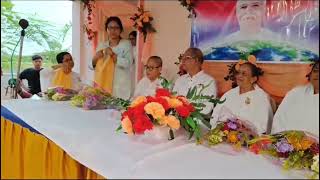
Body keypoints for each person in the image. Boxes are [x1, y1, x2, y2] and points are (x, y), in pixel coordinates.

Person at [211, 56, 273, 134]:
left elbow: (264, 127)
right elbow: (215, 116)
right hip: (224, 136)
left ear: (253, 79)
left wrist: (245, 130)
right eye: (238, 73)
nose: (239, 76)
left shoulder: (261, 97)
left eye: (244, 74)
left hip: (248, 141)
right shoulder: (229, 94)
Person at [272, 61, 319, 137]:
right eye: (315, 71)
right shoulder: (295, 93)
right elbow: (279, 119)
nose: (317, 74)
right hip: (286, 145)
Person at [92, 16, 133, 100]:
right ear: (106, 30)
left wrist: (113, 55)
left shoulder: (126, 44)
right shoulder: (102, 45)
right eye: (110, 27)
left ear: (120, 30)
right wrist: (95, 58)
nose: (113, 30)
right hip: (103, 85)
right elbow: (93, 65)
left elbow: (128, 63)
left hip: (120, 85)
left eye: (116, 27)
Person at [173, 48, 217, 115]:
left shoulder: (209, 81)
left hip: (197, 122)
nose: (183, 61)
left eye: (186, 58)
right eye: (182, 58)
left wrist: (188, 115)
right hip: (177, 119)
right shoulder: (180, 80)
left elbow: (207, 108)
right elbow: (173, 100)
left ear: (196, 60)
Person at [214, 0, 279, 46]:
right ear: (237, 13)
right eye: (243, 7)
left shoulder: (274, 39)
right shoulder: (228, 42)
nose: (249, 10)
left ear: (264, 10)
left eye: (255, 5)